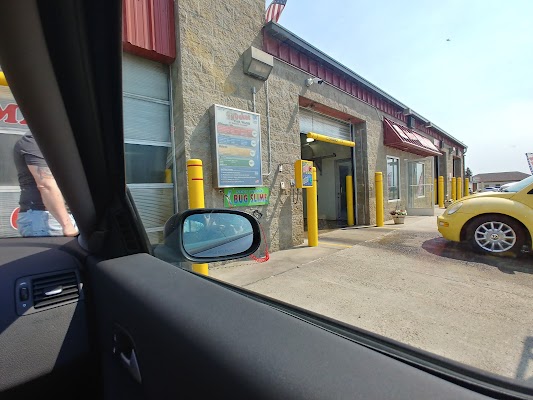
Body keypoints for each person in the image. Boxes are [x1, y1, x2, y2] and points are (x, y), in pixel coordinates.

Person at [13, 132, 78, 237]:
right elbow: (46, 185)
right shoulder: (34, 140)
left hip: (61, 218)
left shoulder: (61, 144)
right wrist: (67, 226)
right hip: (46, 219)